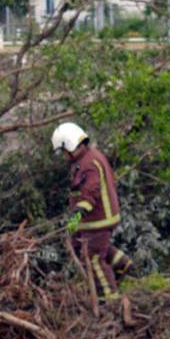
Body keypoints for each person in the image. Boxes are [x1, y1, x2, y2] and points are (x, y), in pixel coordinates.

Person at [52, 122, 132, 302]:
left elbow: (90, 193)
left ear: (70, 145)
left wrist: (78, 213)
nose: (64, 156)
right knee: (83, 245)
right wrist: (75, 223)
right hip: (93, 220)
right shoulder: (85, 159)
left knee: (93, 257)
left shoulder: (89, 164)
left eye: (63, 151)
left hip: (98, 219)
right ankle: (123, 264)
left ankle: (109, 298)